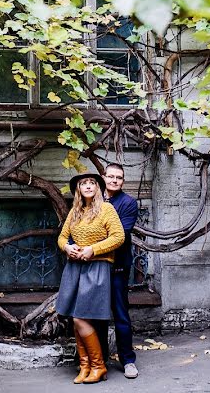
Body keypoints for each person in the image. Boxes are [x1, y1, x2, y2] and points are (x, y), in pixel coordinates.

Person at [55, 172, 125, 384]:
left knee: (80, 317)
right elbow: (61, 237)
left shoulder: (106, 209)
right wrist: (67, 247)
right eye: (83, 183)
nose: (87, 186)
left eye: (91, 183)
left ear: (97, 188)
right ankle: (85, 367)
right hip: (74, 267)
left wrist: (93, 250)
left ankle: (98, 366)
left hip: (97, 267)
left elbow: (118, 236)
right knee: (75, 317)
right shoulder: (75, 211)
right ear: (78, 189)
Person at [94, 162, 140, 379]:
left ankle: (128, 360)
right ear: (103, 177)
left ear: (122, 180)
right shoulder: (92, 199)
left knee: (121, 314)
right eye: (110, 176)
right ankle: (100, 361)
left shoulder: (129, 203)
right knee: (98, 315)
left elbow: (120, 234)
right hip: (94, 266)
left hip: (118, 267)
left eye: (118, 178)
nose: (114, 180)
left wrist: (92, 239)